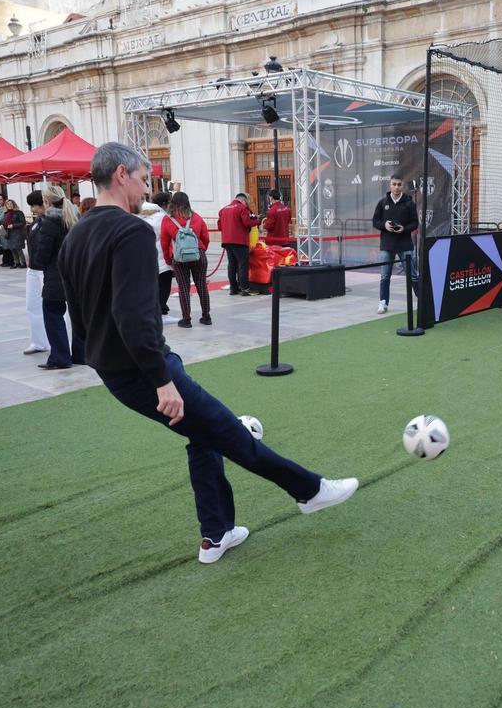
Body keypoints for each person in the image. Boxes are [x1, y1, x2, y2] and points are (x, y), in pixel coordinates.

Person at [59, 142, 358, 564]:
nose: (148, 190)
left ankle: (216, 534)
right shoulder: (131, 231)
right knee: (228, 433)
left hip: (117, 370)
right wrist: (162, 380)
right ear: (121, 174)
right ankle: (309, 491)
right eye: (144, 180)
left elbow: (76, 314)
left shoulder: (75, 234)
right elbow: (134, 316)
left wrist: (106, 356)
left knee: (203, 434)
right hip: (143, 368)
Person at [29, 185, 83, 370]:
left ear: (46, 202)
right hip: (77, 273)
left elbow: (43, 252)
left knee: (53, 315)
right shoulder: (75, 218)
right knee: (77, 316)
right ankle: (81, 354)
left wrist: (37, 261)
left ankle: (60, 357)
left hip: (56, 274)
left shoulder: (49, 222)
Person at [162, 192, 214, 325]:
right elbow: (206, 237)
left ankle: (186, 319)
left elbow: (164, 242)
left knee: (183, 288)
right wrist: (201, 250)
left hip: (179, 257)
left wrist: (168, 260)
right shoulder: (196, 217)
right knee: (202, 285)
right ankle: (206, 317)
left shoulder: (168, 220)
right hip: (198, 254)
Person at [371, 175, 418, 315]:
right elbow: (375, 221)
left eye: (399, 184)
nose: (396, 187)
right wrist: (384, 225)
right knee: (385, 276)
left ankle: (422, 300)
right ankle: (383, 303)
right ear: (390, 185)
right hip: (387, 245)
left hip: (405, 245)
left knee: (413, 275)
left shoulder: (409, 203)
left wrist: (404, 228)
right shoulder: (382, 202)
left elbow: (415, 223)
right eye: (394, 184)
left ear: (402, 186)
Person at [138, 191, 174, 315]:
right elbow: (166, 236)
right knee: (164, 283)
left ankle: (156, 306)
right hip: (160, 254)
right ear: (165, 204)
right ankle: (161, 307)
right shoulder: (162, 216)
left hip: (144, 253)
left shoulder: (142, 212)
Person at [23, 190, 49, 356]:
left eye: (34, 206)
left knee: (50, 307)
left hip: (45, 270)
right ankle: (38, 341)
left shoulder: (51, 222)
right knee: (32, 306)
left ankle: (53, 342)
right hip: (33, 268)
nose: (33, 209)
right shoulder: (36, 223)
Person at [216, 192, 257, 298]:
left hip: (227, 241)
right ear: (243, 200)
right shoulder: (242, 208)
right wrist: (257, 221)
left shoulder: (223, 209)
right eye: (246, 202)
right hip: (240, 241)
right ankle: (245, 288)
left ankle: (233, 288)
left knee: (232, 265)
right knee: (243, 265)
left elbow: (219, 226)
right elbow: (247, 223)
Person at [1, 199, 28, 269]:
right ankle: (17, 263)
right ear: (6, 206)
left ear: (14, 204)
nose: (9, 205)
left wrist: (13, 225)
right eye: (8, 204)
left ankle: (23, 263)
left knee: (18, 249)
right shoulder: (6, 213)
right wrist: (3, 225)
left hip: (17, 233)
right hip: (9, 233)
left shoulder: (19, 213)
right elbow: (4, 222)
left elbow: (23, 223)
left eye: (11, 204)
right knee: (12, 249)